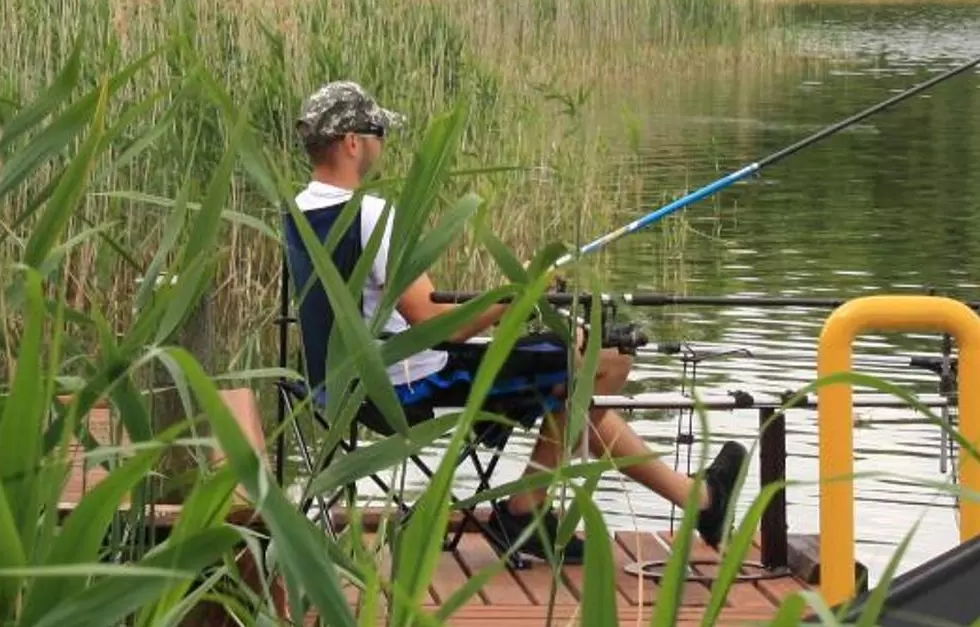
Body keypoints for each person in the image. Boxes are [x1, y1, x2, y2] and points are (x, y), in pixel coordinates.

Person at [282, 79, 748, 562]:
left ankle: (550, 508)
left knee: (583, 368)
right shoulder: (371, 215)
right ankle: (558, 511)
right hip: (405, 383)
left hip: (336, 384)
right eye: (377, 131)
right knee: (598, 358)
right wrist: (520, 295)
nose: (383, 143)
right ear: (353, 143)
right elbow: (438, 325)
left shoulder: (296, 210)